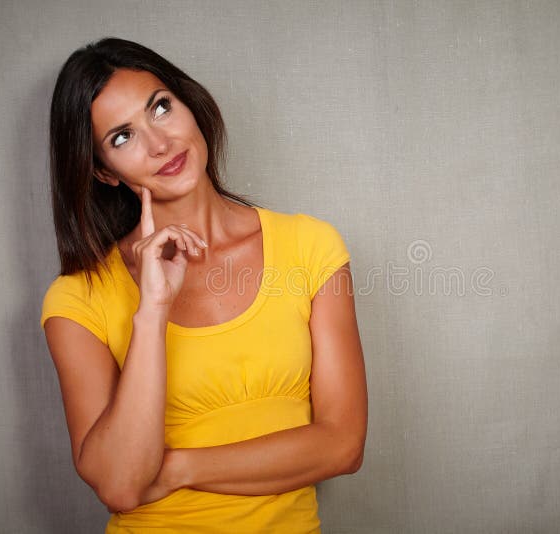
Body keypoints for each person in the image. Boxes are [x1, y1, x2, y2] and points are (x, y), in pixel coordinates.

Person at [40, 37, 367, 533]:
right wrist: (151, 310)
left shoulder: (310, 247)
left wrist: (176, 467)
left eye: (161, 108)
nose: (160, 143)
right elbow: (123, 485)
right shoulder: (77, 298)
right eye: (122, 137)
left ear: (188, 103)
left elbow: (343, 445)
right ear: (103, 172)